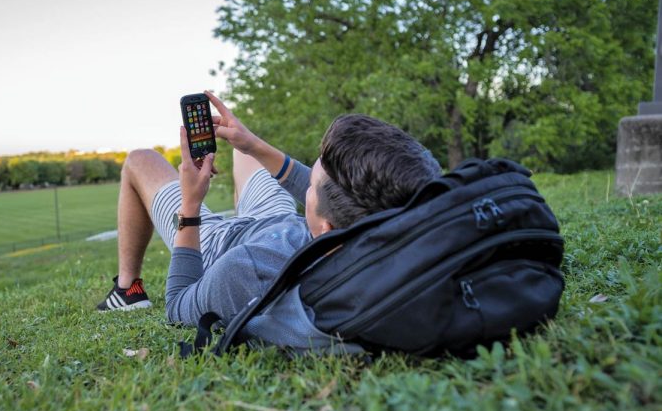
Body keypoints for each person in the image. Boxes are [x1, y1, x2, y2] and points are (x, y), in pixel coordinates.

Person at [96, 91, 442, 326]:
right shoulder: (375, 227)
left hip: (228, 243)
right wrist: (253, 145)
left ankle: (128, 290)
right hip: (278, 221)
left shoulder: (244, 270)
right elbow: (333, 192)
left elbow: (178, 305)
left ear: (326, 228)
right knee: (240, 148)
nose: (306, 184)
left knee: (140, 160)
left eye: (311, 187)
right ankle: (246, 146)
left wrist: (191, 204)